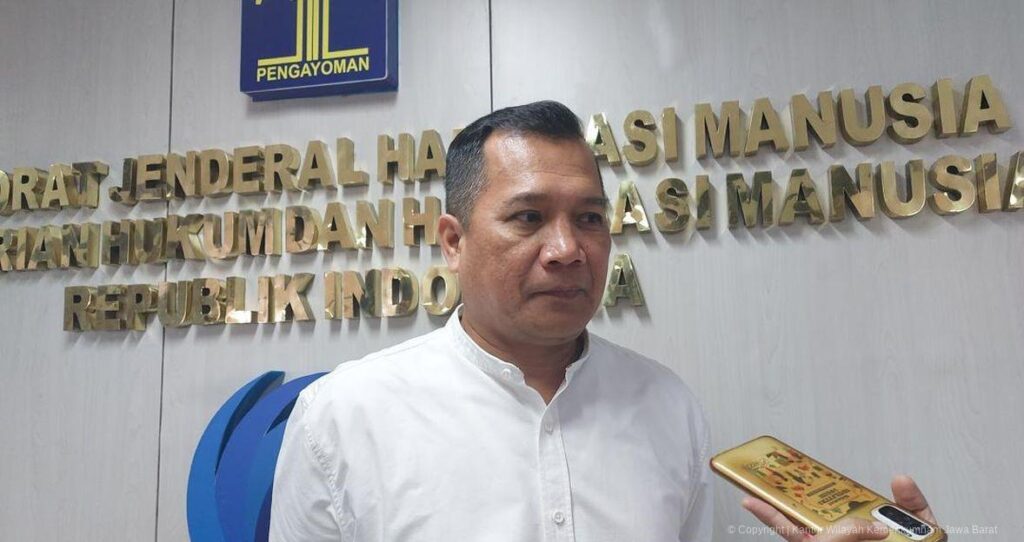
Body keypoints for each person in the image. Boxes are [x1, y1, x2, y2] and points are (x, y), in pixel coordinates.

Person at [268, 101, 938, 541]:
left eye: (589, 218)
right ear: (453, 240)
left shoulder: (667, 404)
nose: (567, 249)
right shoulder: (344, 416)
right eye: (528, 217)